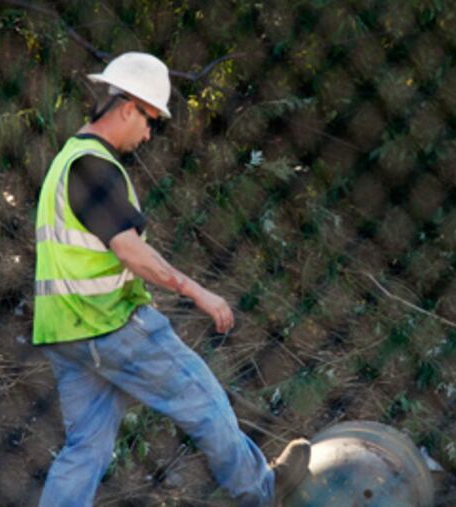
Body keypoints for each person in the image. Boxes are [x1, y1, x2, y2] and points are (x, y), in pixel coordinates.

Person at [33, 52, 311, 507]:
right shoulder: (93, 166)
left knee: (85, 450)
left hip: (65, 333)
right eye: (149, 120)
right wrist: (198, 292)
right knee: (206, 403)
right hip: (111, 325)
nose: (148, 134)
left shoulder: (66, 161)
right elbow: (131, 252)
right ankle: (262, 492)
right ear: (127, 107)